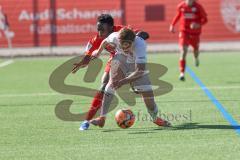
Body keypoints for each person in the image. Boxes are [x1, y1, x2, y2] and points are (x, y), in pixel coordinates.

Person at [71, 14, 149, 130]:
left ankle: (152, 112)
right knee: (103, 84)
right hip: (115, 59)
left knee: (142, 88)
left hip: (131, 59)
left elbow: (145, 34)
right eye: (98, 30)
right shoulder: (97, 39)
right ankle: (87, 120)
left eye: (102, 30)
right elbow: (89, 54)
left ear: (112, 28)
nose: (99, 33)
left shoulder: (122, 32)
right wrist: (84, 61)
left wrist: (137, 36)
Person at [89, 27, 171, 128]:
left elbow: (140, 71)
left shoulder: (140, 45)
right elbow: (105, 41)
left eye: (127, 46)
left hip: (136, 65)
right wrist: (98, 52)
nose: (124, 48)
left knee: (148, 96)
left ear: (133, 41)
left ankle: (155, 118)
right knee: (112, 83)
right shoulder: (115, 36)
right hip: (121, 59)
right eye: (121, 45)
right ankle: (102, 118)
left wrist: (123, 81)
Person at [169, 0, 207, 81]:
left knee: (195, 51)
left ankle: (196, 58)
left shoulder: (198, 7)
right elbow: (178, 15)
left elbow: (205, 19)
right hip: (184, 32)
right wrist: (172, 25)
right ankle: (182, 73)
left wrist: (198, 24)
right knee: (183, 51)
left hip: (195, 33)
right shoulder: (181, 6)